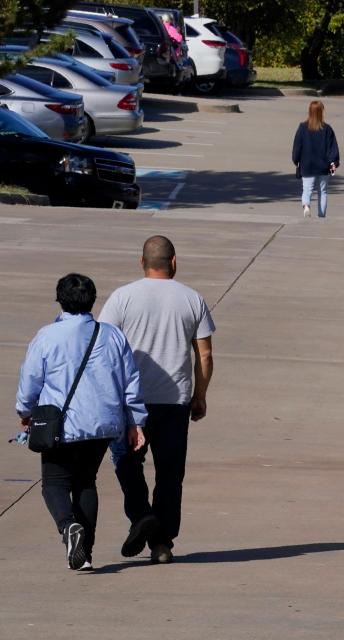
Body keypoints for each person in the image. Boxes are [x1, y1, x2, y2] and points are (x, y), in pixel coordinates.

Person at [16, 274, 147, 571]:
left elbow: (30, 380)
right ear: (92, 300)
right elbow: (131, 382)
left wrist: (25, 410)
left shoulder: (47, 336)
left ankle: (68, 527)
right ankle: (84, 554)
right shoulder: (112, 335)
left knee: (54, 482)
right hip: (104, 423)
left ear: (60, 300)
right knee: (86, 482)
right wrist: (135, 421)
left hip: (62, 425)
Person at [100, 236, 215, 565]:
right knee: (169, 471)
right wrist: (200, 395)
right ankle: (162, 541)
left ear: (142, 262)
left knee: (126, 462)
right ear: (174, 262)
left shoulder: (122, 298)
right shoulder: (192, 299)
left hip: (130, 400)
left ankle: (140, 515)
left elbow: (104, 349)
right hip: (174, 401)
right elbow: (204, 356)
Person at [292, 100, 340, 219]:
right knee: (322, 192)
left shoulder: (302, 128)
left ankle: (306, 206)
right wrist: (334, 162)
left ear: (309, 111)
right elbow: (332, 147)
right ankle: (321, 214)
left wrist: (296, 160)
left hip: (307, 165)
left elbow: (297, 147)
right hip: (324, 166)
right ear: (322, 112)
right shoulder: (327, 129)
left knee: (307, 189)